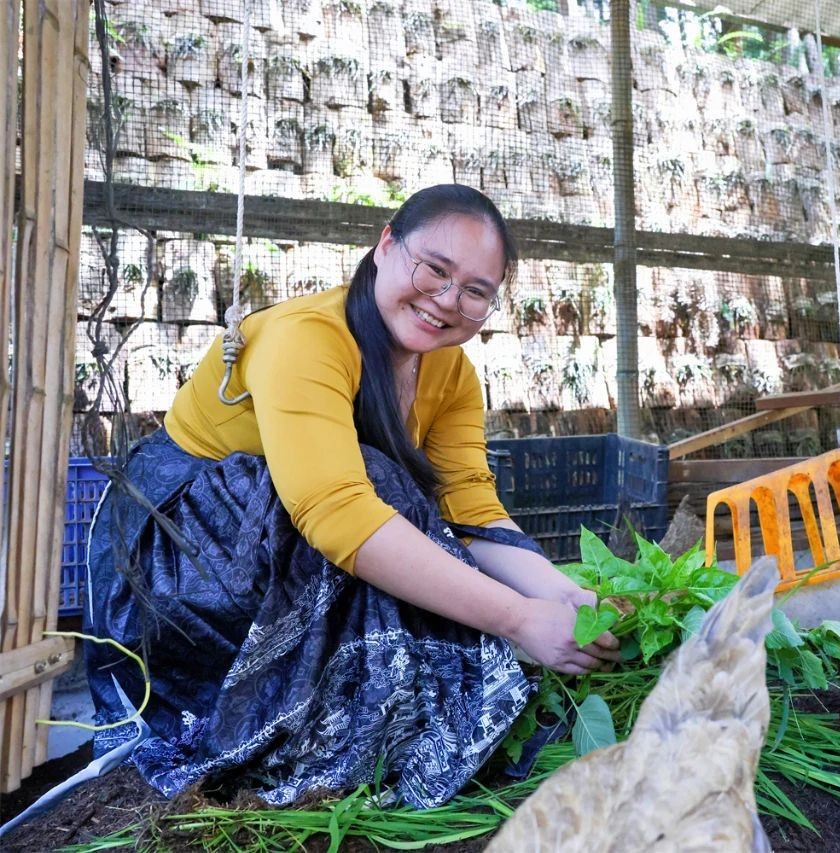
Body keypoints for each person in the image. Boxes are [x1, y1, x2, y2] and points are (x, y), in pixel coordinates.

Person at [84, 185, 619, 808]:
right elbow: (337, 515)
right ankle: (283, 734)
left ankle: (367, 724)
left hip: (288, 535)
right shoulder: (304, 339)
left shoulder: (450, 371)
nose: (446, 301)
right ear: (385, 244)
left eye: (475, 291)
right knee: (383, 490)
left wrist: (565, 597)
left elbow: (469, 509)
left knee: (409, 513)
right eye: (434, 270)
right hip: (179, 555)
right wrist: (518, 619)